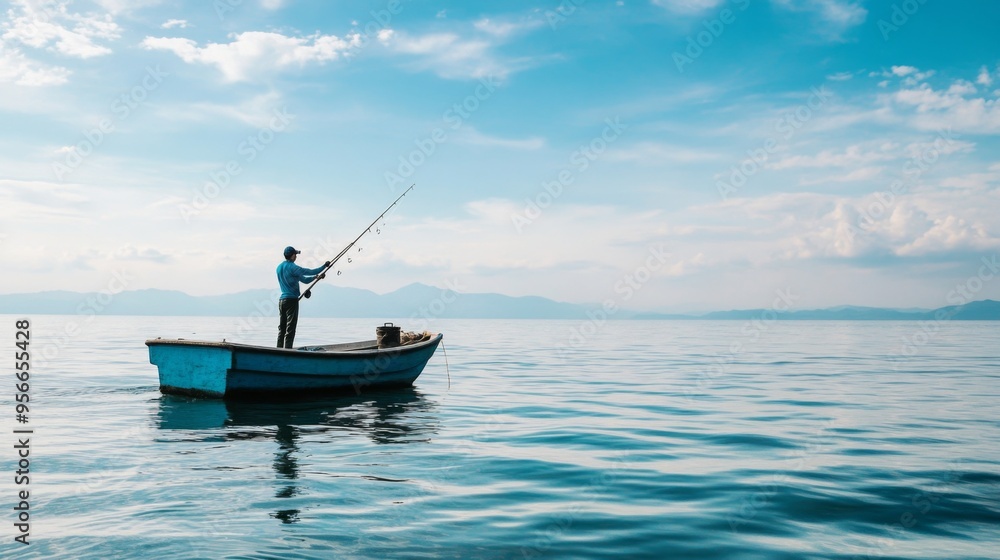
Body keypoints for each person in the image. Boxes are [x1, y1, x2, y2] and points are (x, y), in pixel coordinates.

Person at [276, 246, 329, 348]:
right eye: (295, 254)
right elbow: (309, 271)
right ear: (292, 255)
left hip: (282, 301)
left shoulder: (279, 268)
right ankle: (287, 351)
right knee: (290, 328)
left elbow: (304, 280)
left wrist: (316, 278)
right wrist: (324, 266)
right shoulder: (293, 267)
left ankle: (278, 350)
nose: (296, 256)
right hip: (292, 300)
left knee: (282, 328)